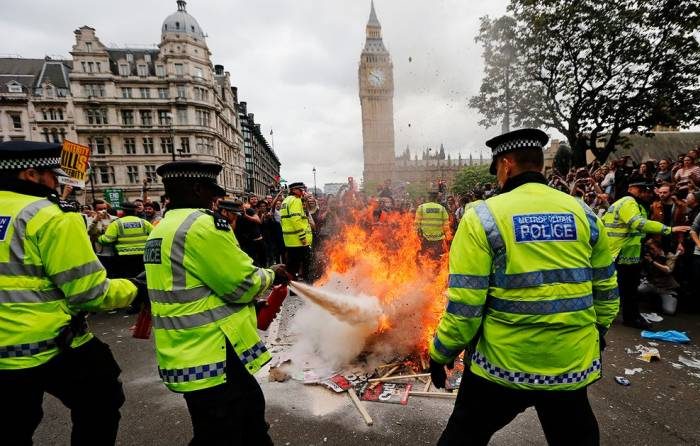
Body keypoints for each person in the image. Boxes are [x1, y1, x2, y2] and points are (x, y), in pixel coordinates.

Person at [429, 129, 620, 446]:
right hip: (569, 365)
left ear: (505, 165)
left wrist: (441, 352)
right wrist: (597, 331)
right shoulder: (585, 214)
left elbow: (465, 308)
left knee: (463, 437)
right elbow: (607, 293)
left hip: (503, 366)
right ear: (540, 165)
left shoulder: (483, 217)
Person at [0, 140, 144, 445]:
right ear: (29, 174)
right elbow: (90, 293)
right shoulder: (50, 215)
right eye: (53, 174)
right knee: (102, 400)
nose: (58, 182)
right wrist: (135, 288)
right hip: (46, 344)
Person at [144, 161, 289, 445]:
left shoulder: (162, 228)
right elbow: (241, 285)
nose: (216, 200)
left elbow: (198, 287)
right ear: (197, 189)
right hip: (214, 354)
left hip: (185, 352)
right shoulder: (203, 225)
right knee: (226, 433)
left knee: (240, 426)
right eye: (212, 193)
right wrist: (272, 274)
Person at [602, 181, 689, 329]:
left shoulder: (627, 203)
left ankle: (620, 316)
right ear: (634, 189)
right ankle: (630, 318)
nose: (649, 194)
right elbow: (639, 224)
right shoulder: (629, 203)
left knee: (622, 289)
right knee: (628, 290)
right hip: (624, 254)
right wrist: (669, 229)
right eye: (646, 191)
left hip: (621, 253)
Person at [99, 201, 154, 278]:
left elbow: (107, 239)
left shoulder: (116, 224)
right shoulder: (144, 222)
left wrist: (99, 238)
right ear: (134, 211)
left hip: (124, 258)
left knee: (127, 279)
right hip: (143, 257)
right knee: (142, 279)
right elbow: (154, 236)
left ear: (123, 211)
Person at [281, 182, 313, 281]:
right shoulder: (295, 200)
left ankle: (293, 289)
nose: (304, 192)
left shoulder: (286, 200)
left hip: (290, 241)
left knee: (292, 267)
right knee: (306, 266)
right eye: (301, 190)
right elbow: (296, 220)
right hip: (299, 241)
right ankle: (308, 287)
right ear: (294, 190)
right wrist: (303, 237)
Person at [414, 191, 450, 258]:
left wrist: (415, 235)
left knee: (426, 257)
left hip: (425, 238)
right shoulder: (441, 208)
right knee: (437, 257)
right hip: (438, 238)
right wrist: (448, 237)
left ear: (428, 198)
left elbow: (417, 224)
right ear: (436, 198)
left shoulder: (421, 208)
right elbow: (446, 224)